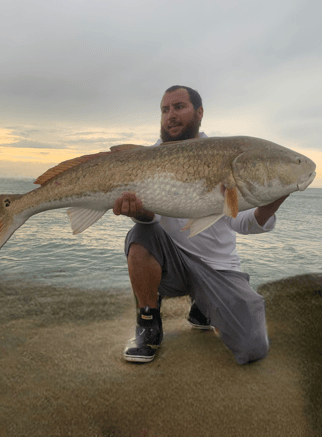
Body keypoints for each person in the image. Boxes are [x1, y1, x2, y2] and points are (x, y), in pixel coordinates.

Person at [113, 85, 288, 365]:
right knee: (142, 233)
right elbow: (152, 221)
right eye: (164, 109)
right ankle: (148, 319)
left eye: (179, 107)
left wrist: (273, 201)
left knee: (253, 347)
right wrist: (140, 213)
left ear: (199, 112)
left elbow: (244, 223)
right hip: (173, 266)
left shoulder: (223, 156)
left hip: (218, 268)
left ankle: (203, 307)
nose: (170, 115)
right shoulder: (147, 158)